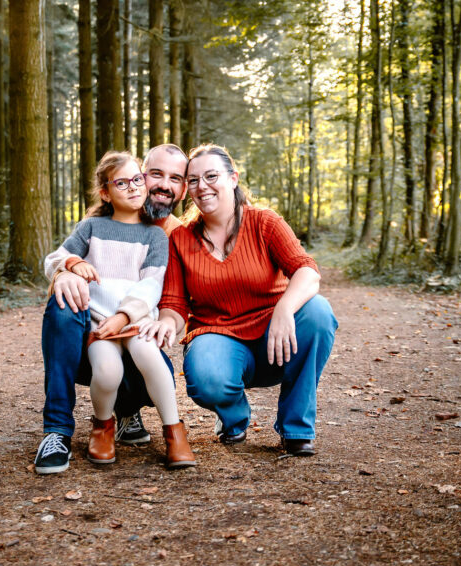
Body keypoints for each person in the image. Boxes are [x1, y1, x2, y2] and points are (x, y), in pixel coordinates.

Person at [139, 144, 338, 456]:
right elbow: (175, 302)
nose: (202, 186)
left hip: (277, 338)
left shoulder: (265, 222)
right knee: (207, 379)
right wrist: (165, 323)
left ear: (233, 178)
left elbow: (307, 271)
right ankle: (234, 418)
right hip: (218, 338)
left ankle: (296, 429)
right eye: (193, 180)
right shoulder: (181, 239)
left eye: (211, 176)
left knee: (318, 313)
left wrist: (285, 308)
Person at [34, 145, 190, 474]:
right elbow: (54, 259)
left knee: (150, 360)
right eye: (123, 183)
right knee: (106, 371)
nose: (134, 187)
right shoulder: (92, 228)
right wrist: (70, 266)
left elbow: (152, 284)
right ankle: (98, 427)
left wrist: (125, 317)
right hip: (99, 325)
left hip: (135, 322)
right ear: (105, 192)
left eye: (137, 180)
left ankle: (174, 433)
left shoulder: (161, 235)